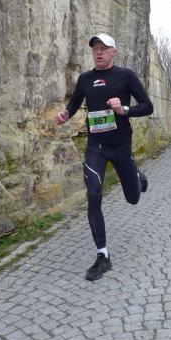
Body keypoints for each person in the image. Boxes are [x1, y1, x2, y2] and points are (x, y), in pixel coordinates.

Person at [53, 33, 153, 280]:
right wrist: (65, 115)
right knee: (94, 194)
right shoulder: (85, 79)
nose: (98, 52)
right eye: (95, 48)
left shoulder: (126, 76)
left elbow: (147, 106)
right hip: (95, 147)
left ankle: (136, 175)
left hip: (121, 146)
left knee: (133, 198)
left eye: (104, 48)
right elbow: (75, 103)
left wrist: (124, 109)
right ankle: (102, 256)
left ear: (113, 52)